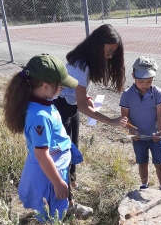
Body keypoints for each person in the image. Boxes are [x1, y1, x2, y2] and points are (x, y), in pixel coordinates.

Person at [3, 54, 79, 225]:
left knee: (56, 216)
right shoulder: (39, 116)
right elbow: (42, 155)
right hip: (48, 178)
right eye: (61, 86)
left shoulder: (43, 103)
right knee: (49, 220)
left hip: (55, 171)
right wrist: (58, 183)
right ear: (46, 86)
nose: (63, 89)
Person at [54, 23, 127, 191]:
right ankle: (64, 192)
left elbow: (78, 93)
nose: (110, 57)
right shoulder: (82, 65)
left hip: (70, 105)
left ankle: (72, 183)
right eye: (109, 51)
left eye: (113, 53)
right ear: (97, 45)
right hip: (60, 107)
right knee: (64, 150)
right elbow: (83, 107)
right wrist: (111, 121)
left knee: (73, 146)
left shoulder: (87, 61)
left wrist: (85, 97)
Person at [119, 56, 161, 191]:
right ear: (133, 76)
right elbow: (125, 116)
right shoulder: (127, 95)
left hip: (156, 136)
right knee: (142, 162)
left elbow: (160, 114)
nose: (145, 85)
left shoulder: (157, 92)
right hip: (138, 137)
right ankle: (144, 186)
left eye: (149, 81)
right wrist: (132, 130)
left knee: (160, 163)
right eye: (141, 81)